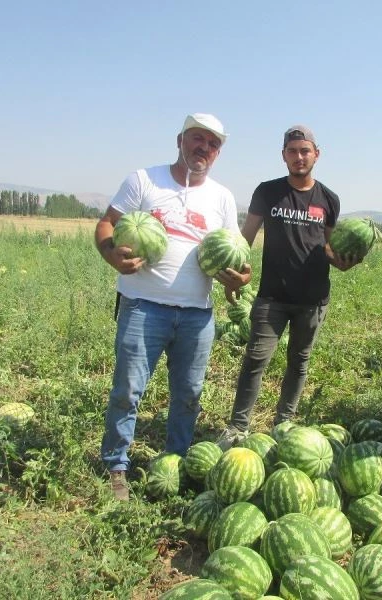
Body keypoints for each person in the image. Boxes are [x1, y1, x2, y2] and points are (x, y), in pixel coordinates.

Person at [95, 113, 249, 500]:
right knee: (128, 390)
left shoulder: (222, 198)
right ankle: (116, 465)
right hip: (144, 306)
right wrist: (112, 255)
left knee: (189, 394)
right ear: (180, 139)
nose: (205, 148)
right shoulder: (144, 180)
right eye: (198, 139)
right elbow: (106, 225)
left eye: (213, 144)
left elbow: (235, 258)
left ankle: (175, 461)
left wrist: (239, 281)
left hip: (197, 313)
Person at [216, 125, 358, 448]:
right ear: (283, 156)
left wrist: (345, 261)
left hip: (313, 299)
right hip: (272, 296)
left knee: (300, 361)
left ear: (316, 155)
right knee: (255, 358)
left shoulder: (329, 199)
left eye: (304, 151)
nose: (299, 157)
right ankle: (238, 427)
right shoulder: (267, 192)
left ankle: (284, 422)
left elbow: (331, 249)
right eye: (292, 151)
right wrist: (236, 274)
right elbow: (244, 240)